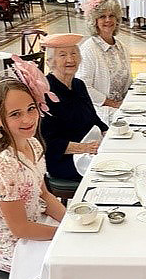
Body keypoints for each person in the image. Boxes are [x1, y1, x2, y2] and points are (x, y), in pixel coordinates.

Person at [0, 60, 66, 273]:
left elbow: (44, 194)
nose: (28, 119)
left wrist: (70, 222)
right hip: (12, 248)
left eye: (31, 109)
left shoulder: (33, 144)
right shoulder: (4, 166)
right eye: (15, 114)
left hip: (33, 223)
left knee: (87, 242)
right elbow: (19, 228)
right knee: (78, 260)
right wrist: (65, 233)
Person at [40, 34, 108, 180]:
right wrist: (83, 148)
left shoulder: (78, 84)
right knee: (110, 171)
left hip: (90, 147)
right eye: (62, 55)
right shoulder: (45, 92)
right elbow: (47, 141)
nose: (70, 59)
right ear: (50, 62)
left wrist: (107, 131)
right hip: (65, 159)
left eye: (74, 53)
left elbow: (93, 118)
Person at [76, 0, 132, 124]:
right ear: (94, 21)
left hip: (122, 106)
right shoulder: (89, 49)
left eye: (111, 15)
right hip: (100, 111)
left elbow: (127, 81)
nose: (108, 20)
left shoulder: (121, 46)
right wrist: (113, 104)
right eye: (102, 16)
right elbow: (84, 87)